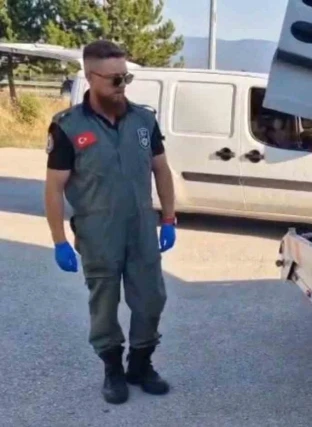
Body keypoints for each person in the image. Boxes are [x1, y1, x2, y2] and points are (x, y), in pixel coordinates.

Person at [43, 40, 177, 405]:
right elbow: (54, 188)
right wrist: (59, 240)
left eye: (126, 78)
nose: (122, 86)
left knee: (151, 299)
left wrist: (168, 217)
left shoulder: (144, 120)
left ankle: (141, 364)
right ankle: (113, 370)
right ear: (90, 77)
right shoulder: (68, 127)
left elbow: (161, 170)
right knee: (104, 305)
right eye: (114, 79)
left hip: (141, 228)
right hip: (98, 232)